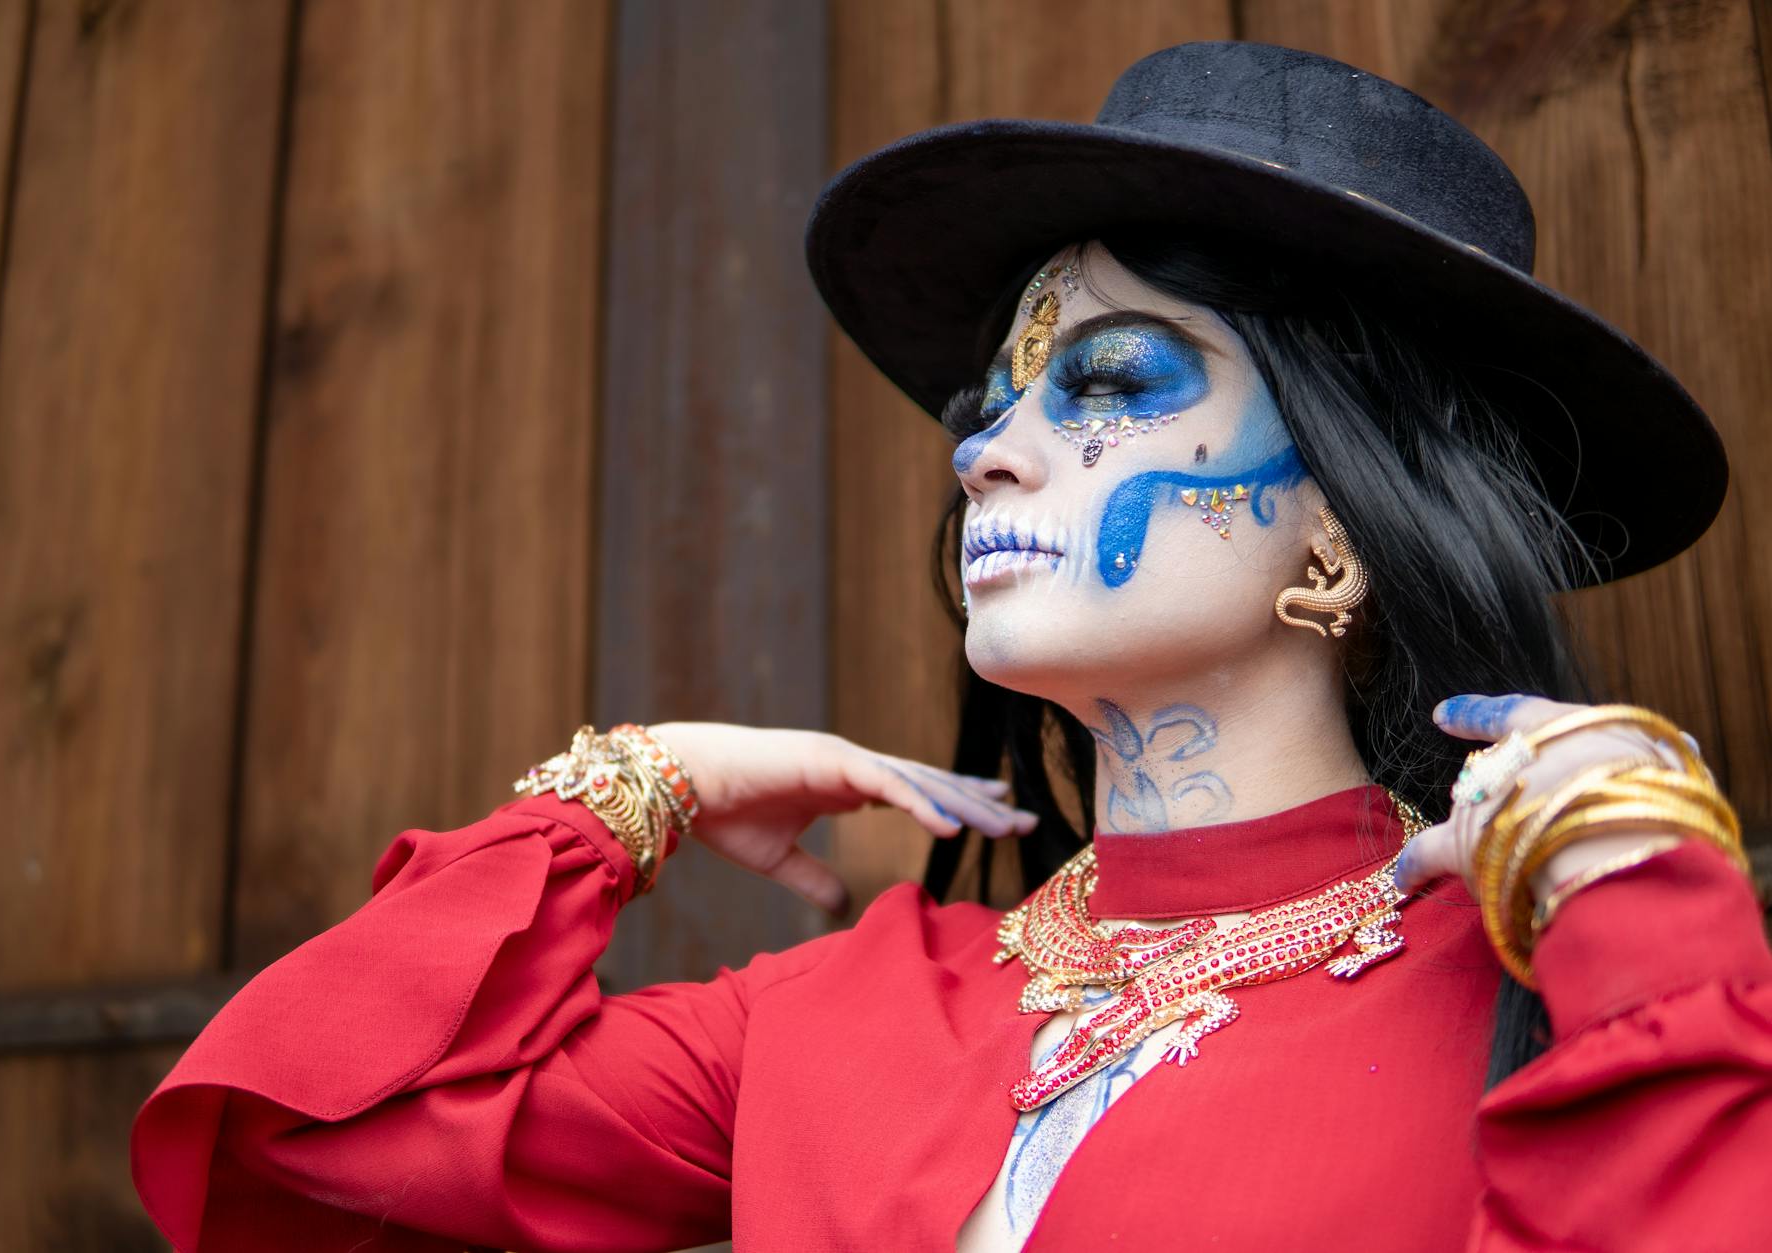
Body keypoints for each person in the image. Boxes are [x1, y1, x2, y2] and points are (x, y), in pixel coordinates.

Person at [131, 41, 1770, 1251]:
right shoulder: (839, 1012)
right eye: (993, 402)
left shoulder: (1557, 1003)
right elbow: (290, 1138)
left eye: (1114, 383)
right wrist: (634, 789)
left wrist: (1621, 872)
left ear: (1339, 525)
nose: (985, 446)